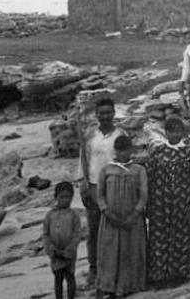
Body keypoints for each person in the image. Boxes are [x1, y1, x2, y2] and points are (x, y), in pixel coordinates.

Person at [79, 97, 126, 288]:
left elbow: (125, 161)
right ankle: (94, 269)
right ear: (97, 115)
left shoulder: (121, 134)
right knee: (94, 230)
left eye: (108, 112)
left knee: (115, 229)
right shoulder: (90, 136)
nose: (105, 116)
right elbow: (84, 160)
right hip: (94, 186)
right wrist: (84, 185)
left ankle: (115, 269)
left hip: (115, 187)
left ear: (114, 113)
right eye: (102, 113)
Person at [146, 117, 190, 288]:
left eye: (178, 130)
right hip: (160, 203)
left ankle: (180, 274)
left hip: (181, 203)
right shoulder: (158, 151)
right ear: (166, 132)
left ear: (182, 132)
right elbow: (150, 176)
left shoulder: (188, 152)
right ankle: (159, 276)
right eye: (171, 130)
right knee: (159, 238)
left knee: (180, 236)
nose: (175, 134)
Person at [95, 135, 147, 299]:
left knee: (131, 251)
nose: (123, 154)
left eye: (127, 150)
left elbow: (144, 195)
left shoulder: (139, 170)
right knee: (111, 252)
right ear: (115, 151)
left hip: (133, 221)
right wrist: (107, 212)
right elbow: (100, 195)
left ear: (131, 150)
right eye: (120, 150)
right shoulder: (106, 170)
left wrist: (136, 213)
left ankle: (131, 285)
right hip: (111, 221)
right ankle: (109, 286)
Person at [43, 181, 81, 299]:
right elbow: (46, 234)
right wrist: (51, 249)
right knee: (58, 279)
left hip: (69, 254)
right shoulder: (50, 215)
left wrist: (69, 249)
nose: (65, 200)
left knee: (70, 277)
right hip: (55, 254)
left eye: (68, 197)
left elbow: (76, 235)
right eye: (62, 197)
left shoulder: (74, 215)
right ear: (56, 197)